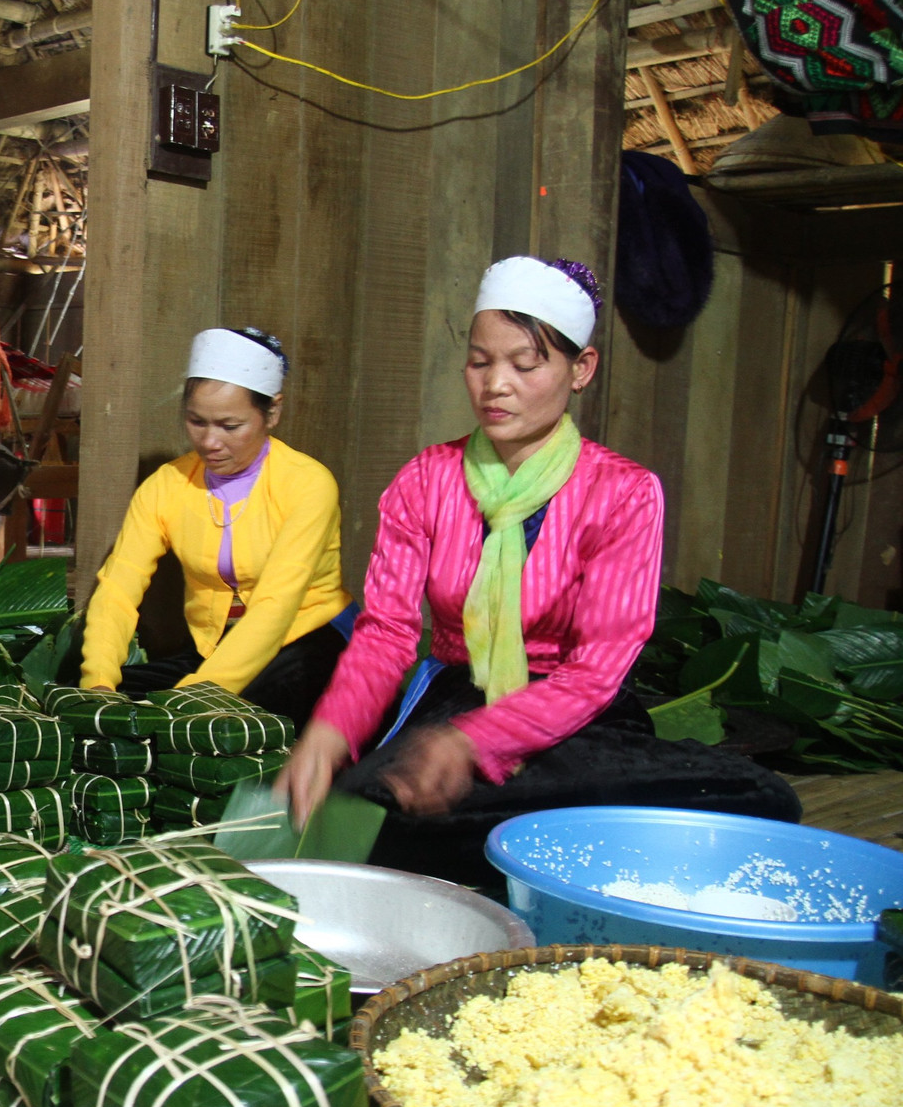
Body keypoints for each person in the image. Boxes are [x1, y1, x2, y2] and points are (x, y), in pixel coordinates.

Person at [279, 257, 798, 887]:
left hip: (578, 714)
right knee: (373, 815)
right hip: (455, 694)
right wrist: (330, 735)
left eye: (525, 365)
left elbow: (596, 670)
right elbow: (387, 631)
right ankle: (554, 858)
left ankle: (529, 850)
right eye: (479, 361)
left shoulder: (624, 492)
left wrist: (474, 743)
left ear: (581, 369)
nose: (496, 385)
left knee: (758, 799)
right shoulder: (426, 480)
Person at [79, 327, 353, 723]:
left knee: (252, 708)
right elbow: (118, 589)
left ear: (272, 413)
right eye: (196, 422)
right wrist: (99, 684)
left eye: (229, 426)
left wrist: (190, 700)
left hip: (308, 641)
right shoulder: (166, 486)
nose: (209, 442)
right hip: (217, 647)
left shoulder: (308, 484)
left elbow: (275, 608)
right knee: (119, 697)